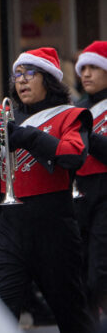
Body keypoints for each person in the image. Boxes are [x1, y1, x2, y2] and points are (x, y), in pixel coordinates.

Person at [0, 47, 94, 331]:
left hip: (54, 227)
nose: (21, 80)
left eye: (30, 73)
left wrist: (29, 136)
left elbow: (74, 156)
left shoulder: (70, 115)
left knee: (72, 315)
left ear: (49, 79)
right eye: (17, 74)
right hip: (10, 228)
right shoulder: (5, 119)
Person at [74, 40, 107, 318]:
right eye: (82, 68)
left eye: (94, 67)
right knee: (80, 270)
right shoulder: (76, 107)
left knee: (99, 271)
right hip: (79, 194)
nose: (86, 74)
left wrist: (86, 136)